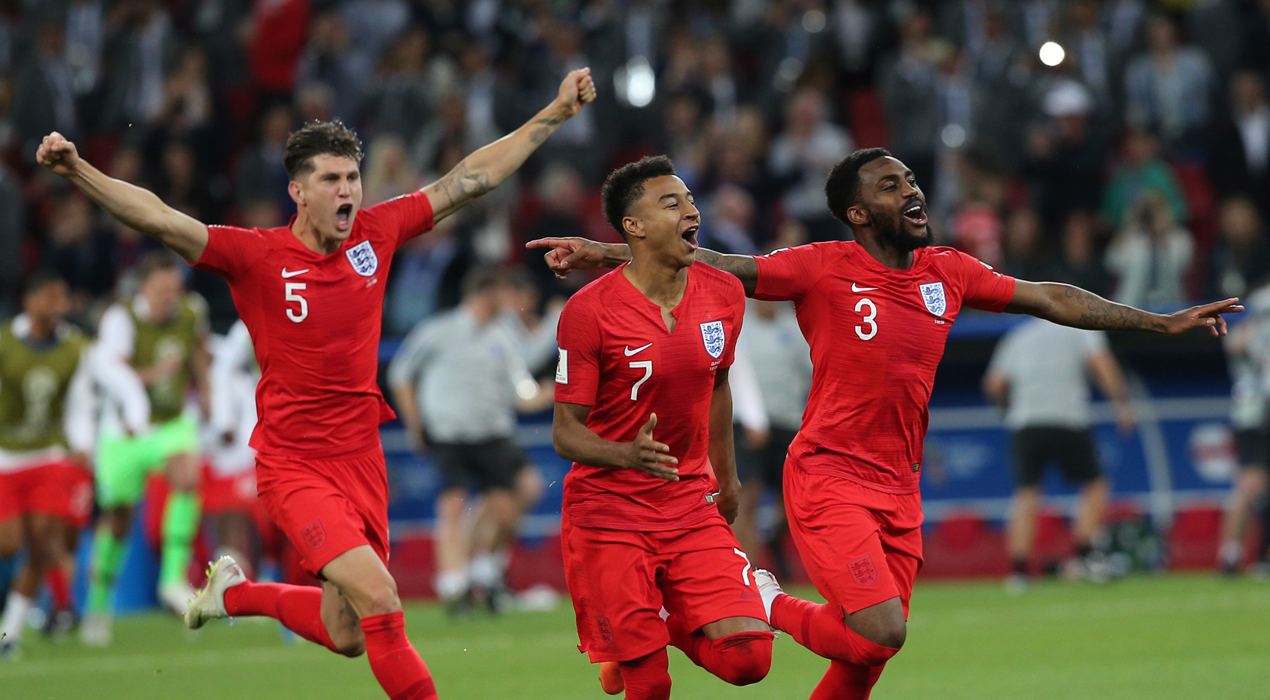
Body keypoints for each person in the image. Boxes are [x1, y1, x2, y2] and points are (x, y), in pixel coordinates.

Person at [529, 147, 1241, 700]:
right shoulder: (820, 267)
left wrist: (1158, 321)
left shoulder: (948, 271)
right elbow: (711, 262)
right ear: (859, 213)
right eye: (891, 186)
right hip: (829, 475)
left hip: (900, 486)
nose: (913, 191)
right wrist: (607, 254)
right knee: (880, 630)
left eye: (910, 180)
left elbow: (1049, 297)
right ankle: (769, 600)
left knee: (866, 662)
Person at [38, 67, 595, 700]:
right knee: (383, 599)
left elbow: (471, 179)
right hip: (295, 464)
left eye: (352, 177)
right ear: (298, 191)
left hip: (363, 460)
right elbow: (161, 219)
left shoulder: (376, 235)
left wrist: (555, 112)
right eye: (330, 179)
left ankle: (237, 593)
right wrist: (80, 170)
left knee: (348, 632)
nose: (346, 190)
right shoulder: (256, 255)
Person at [552, 156, 773, 699]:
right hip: (609, 510)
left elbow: (717, 386)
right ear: (634, 227)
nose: (691, 210)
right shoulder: (587, 312)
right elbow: (565, 433)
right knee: (648, 684)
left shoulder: (724, 294)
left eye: (690, 200)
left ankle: (653, 630)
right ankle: (635, 645)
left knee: (749, 660)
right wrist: (627, 454)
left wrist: (729, 478)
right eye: (671, 203)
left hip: (688, 500)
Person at [387, 266, 550, 615]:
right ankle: (454, 587)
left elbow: (519, 386)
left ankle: (485, 570)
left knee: (520, 495)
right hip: (450, 433)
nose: (508, 301)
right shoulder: (440, 330)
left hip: (493, 431)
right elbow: (401, 374)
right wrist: (417, 426)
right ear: (485, 293)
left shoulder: (501, 336)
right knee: (454, 505)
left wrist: (546, 394)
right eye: (502, 293)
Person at [84, 250, 212, 644]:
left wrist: (208, 397)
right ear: (144, 287)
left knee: (187, 478)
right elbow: (109, 371)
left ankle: (172, 579)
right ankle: (98, 606)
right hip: (123, 432)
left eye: (173, 290)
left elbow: (197, 354)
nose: (168, 299)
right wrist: (153, 374)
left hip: (170, 423)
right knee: (118, 521)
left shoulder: (192, 312)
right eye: (161, 291)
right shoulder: (121, 318)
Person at [983, 318, 1135, 591]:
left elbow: (994, 384)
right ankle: (1083, 556)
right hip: (1067, 418)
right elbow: (1102, 364)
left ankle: (1018, 573)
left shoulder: (1018, 335)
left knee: (1026, 494)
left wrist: (1008, 409)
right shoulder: (1080, 329)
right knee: (1095, 486)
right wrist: (1121, 403)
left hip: (1025, 423)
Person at [0, 273, 95, 659]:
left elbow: (79, 401)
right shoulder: (5, 342)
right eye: (52, 299)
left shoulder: (74, 347)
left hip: (49, 455)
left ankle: (11, 631)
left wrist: (82, 443)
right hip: (6, 456)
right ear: (30, 300)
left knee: (41, 540)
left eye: (63, 300)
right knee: (8, 545)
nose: (59, 308)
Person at [731, 299, 812, 579]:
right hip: (747, 425)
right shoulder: (740, 328)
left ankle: (774, 538)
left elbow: (815, 373)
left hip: (789, 424)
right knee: (746, 499)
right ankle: (746, 574)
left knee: (797, 503)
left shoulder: (794, 329)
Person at [1219, 285, 1270, 576]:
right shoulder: (1251, 329)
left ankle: (1241, 554)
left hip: (1251, 410)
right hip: (1256, 412)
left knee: (1254, 484)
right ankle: (1231, 554)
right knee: (1251, 483)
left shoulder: (1246, 328)